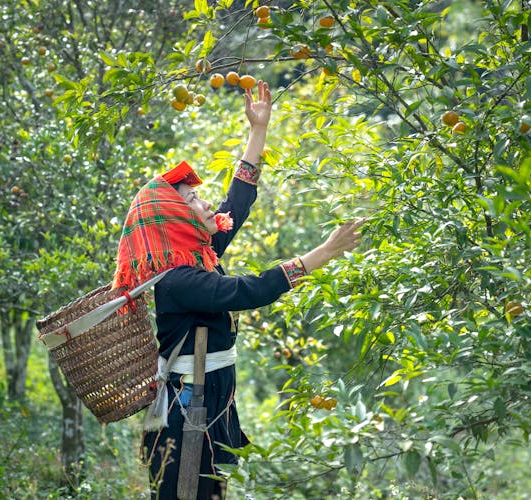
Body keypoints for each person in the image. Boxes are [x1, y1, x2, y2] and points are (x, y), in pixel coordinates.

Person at [111, 80, 365, 500]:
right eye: (193, 200)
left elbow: (237, 202)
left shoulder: (198, 254)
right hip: (188, 409)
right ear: (175, 221)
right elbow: (250, 290)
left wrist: (258, 131)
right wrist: (325, 252)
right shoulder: (179, 280)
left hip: (208, 399)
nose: (206, 203)